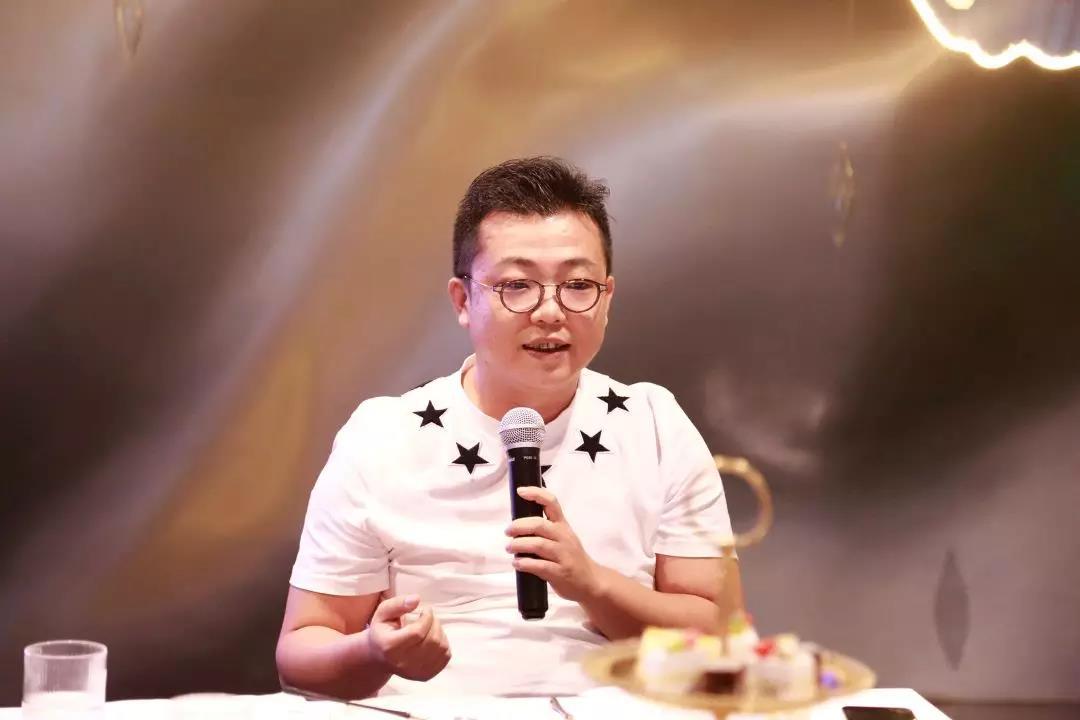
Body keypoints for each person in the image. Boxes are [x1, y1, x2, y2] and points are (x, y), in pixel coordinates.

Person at [276, 157, 744, 698]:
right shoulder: (382, 435)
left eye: (578, 284)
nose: (550, 312)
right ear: (463, 300)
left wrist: (593, 584)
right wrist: (374, 653)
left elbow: (722, 642)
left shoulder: (655, 424)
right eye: (517, 285)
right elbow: (301, 653)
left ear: (607, 298)